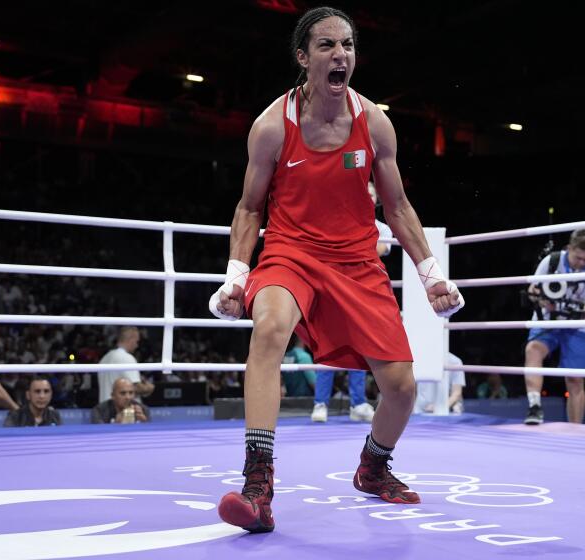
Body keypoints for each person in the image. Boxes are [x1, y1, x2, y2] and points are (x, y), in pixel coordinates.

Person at [208, 7, 464, 533]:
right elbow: (250, 208)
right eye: (326, 46)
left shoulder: (375, 122)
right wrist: (236, 277)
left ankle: (373, 467)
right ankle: (258, 486)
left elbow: (397, 207)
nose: (340, 55)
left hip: (357, 263)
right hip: (291, 253)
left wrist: (430, 272)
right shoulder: (271, 126)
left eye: (347, 45)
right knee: (270, 328)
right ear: (303, 58)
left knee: (401, 388)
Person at [310, 181, 387, 423]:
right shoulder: (339, 220)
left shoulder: (382, 228)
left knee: (360, 349)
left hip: (364, 291)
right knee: (327, 346)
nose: (369, 196)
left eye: (373, 193)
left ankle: (358, 403)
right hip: (334, 287)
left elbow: (381, 249)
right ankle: (320, 403)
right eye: (366, 191)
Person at [523, 229, 585, 425]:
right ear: (569, 248)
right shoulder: (552, 261)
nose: (581, 263)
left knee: (575, 379)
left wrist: (584, 308)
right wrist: (543, 299)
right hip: (549, 319)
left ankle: (575, 429)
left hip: (580, 325)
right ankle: (535, 407)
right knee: (533, 351)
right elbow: (532, 290)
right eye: (578, 257)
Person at [97, 326, 154, 404]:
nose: (137, 346)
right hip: (122, 410)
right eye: (137, 342)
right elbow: (135, 387)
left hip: (104, 408)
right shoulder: (127, 358)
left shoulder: (104, 358)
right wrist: (148, 388)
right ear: (131, 339)